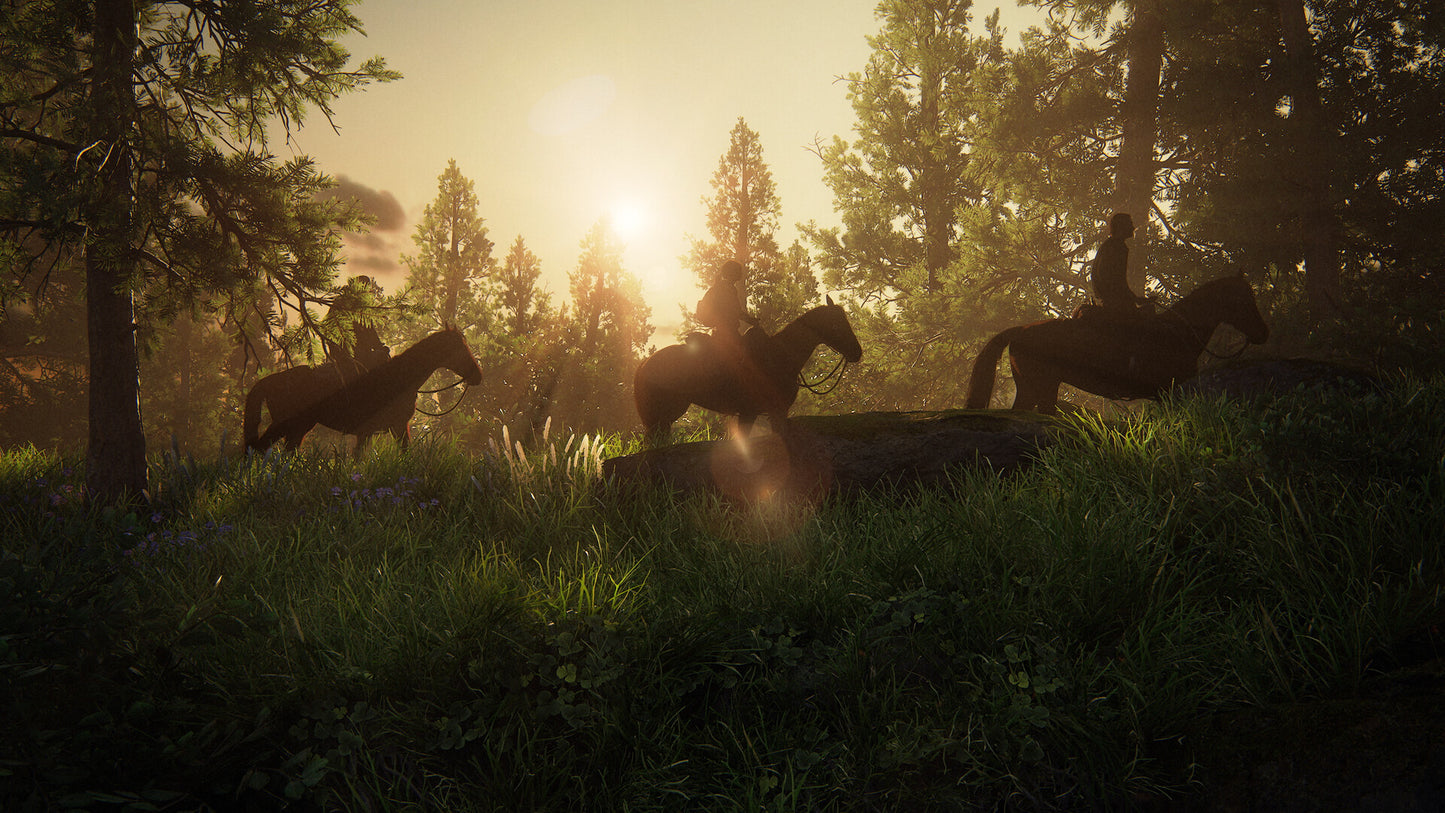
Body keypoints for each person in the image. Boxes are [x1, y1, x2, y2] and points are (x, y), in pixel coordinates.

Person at [695, 259, 759, 356]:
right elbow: (736, 311)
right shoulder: (729, 289)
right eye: (739, 271)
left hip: (719, 332)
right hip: (729, 334)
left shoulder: (719, 287)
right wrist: (752, 321)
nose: (741, 273)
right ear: (733, 273)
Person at [1090, 212, 1148, 312]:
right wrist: (1133, 299)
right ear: (1122, 227)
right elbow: (1118, 280)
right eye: (1130, 224)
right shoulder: (1118, 247)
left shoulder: (1108, 245)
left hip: (1108, 298)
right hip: (1115, 300)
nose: (1133, 228)